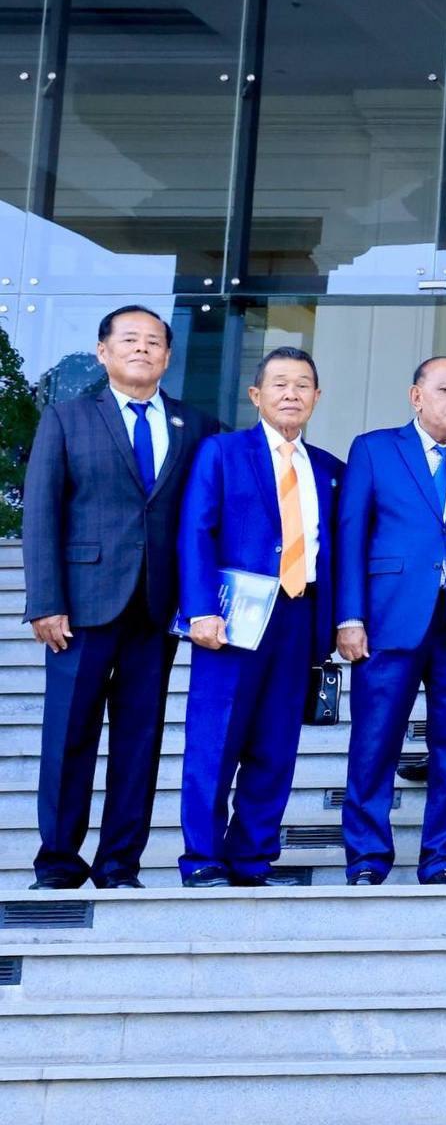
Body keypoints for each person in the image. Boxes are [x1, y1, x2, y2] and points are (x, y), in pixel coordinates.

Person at [23, 306, 221, 889]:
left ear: (168, 356)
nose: (142, 349)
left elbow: (204, 519)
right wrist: (45, 600)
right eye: (129, 340)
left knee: (140, 741)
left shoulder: (199, 426)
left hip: (157, 608)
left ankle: (119, 864)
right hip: (82, 605)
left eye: (154, 342)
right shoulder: (66, 417)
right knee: (69, 736)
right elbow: (41, 513)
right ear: (103, 351)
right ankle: (58, 862)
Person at [335, 357, 446, 885]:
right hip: (389, 619)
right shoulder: (374, 449)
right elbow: (351, 535)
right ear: (416, 397)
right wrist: (350, 616)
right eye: (445, 390)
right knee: (374, 743)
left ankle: (443, 860)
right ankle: (367, 859)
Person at [173, 347, 339, 888]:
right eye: (280, 383)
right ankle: (202, 858)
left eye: (303, 384)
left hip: (300, 616)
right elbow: (196, 531)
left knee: (276, 746)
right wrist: (199, 609)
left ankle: (252, 859)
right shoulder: (222, 452)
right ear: (256, 394)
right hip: (232, 619)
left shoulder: (328, 469)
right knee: (215, 740)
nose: (292, 394)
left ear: (317, 396)